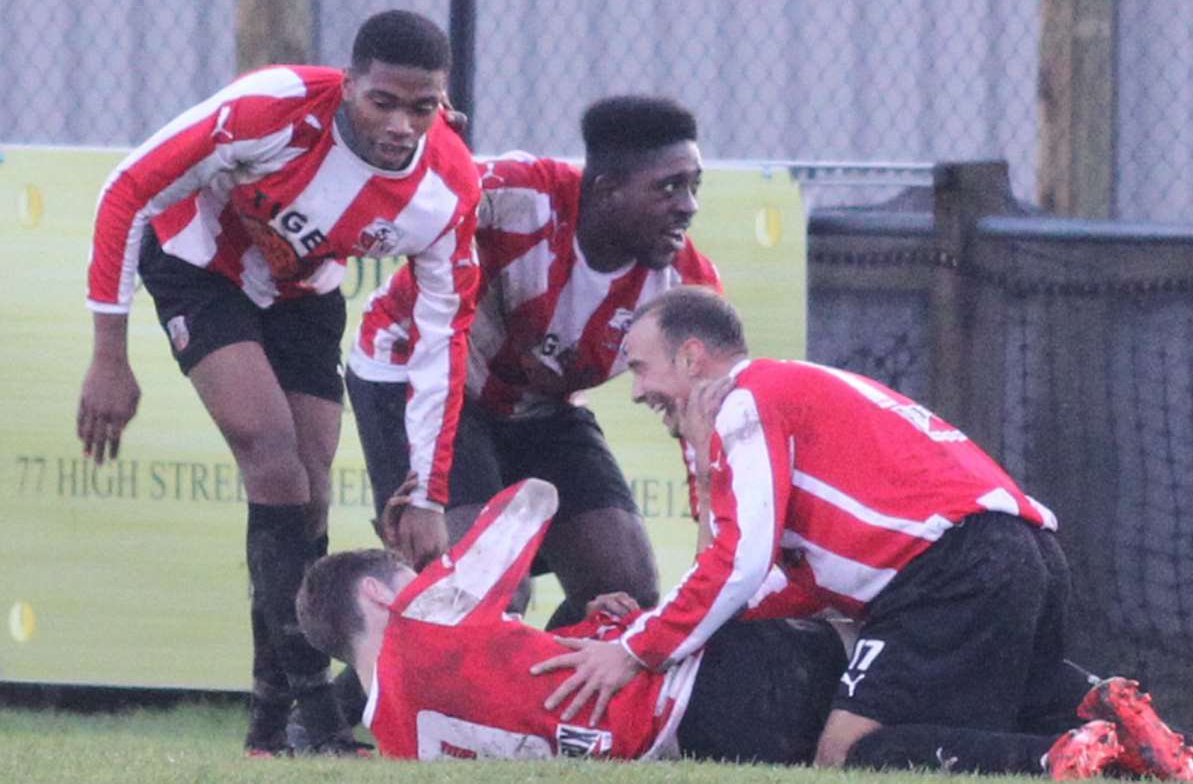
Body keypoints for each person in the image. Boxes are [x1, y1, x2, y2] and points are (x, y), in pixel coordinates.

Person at [531, 286, 1193, 780]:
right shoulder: (796, 389)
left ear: (692, 355)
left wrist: (635, 651)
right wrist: (655, 624)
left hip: (949, 571)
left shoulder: (744, 401)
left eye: (643, 369)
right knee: (986, 715)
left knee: (848, 756)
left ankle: (1055, 758)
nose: (636, 389)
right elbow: (776, 582)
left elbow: (739, 560)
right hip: (1023, 557)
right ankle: (1114, 722)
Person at [75, 10, 481, 756]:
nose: (400, 124)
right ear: (347, 85)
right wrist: (110, 353)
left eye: (420, 108)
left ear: (444, 105)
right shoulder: (273, 107)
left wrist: (428, 491)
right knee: (269, 453)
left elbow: (441, 343)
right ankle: (317, 720)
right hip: (197, 265)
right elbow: (126, 189)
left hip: (302, 295)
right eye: (381, 102)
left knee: (311, 487)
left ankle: (268, 723)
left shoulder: (448, 190)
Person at [346, 95, 722, 625]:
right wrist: (431, 146)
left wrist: (719, 535)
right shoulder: (525, 196)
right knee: (485, 589)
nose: (688, 205)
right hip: (416, 374)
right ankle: (335, 704)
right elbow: (422, 198)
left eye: (693, 186)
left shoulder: (685, 287)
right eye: (669, 187)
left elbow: (703, 427)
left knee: (626, 593)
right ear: (608, 190)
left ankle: (543, 705)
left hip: (539, 406)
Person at [297, 477, 847, 763]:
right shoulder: (424, 622)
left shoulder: (396, 743)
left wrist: (584, 633)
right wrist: (435, 564)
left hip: (701, 739)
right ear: (375, 592)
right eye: (401, 575)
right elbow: (533, 498)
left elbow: (517, 700)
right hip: (714, 684)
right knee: (865, 637)